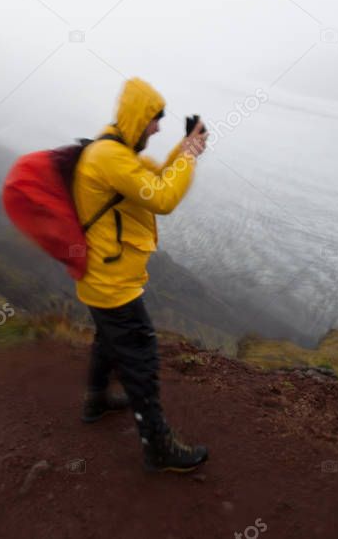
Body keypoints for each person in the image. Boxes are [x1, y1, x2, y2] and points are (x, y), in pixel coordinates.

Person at [72, 77, 209, 473]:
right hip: (112, 284)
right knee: (141, 356)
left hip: (100, 278)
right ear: (138, 117)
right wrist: (190, 157)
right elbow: (163, 198)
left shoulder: (114, 148)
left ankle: (96, 400)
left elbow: (153, 181)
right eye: (154, 120)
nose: (158, 128)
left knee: (107, 339)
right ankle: (158, 446)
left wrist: (184, 151)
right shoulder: (110, 157)